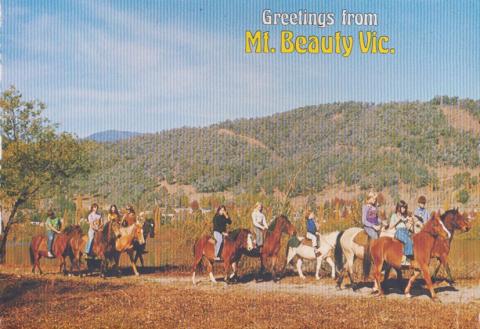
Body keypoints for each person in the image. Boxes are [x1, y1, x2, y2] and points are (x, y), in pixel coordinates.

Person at [388, 200, 413, 266]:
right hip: (399, 231)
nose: (404, 209)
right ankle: (405, 259)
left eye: (405, 208)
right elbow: (390, 226)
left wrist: (410, 222)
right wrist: (398, 220)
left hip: (406, 231)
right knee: (408, 241)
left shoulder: (405, 216)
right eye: (402, 208)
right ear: (398, 207)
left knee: (414, 239)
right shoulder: (394, 215)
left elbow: (407, 227)